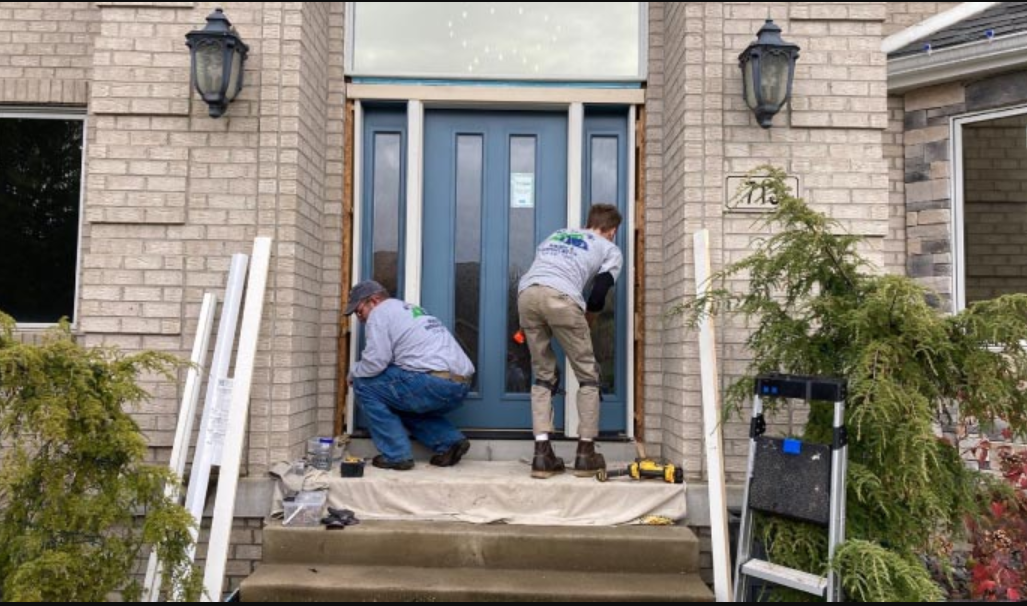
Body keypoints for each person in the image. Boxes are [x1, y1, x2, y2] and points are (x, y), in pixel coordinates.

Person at [517, 203, 623, 479]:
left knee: (543, 375)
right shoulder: (609, 248)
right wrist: (588, 318)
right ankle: (586, 453)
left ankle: (542, 454)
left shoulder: (558, 234)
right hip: (562, 298)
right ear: (612, 231)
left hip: (527, 294)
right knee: (588, 376)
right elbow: (599, 291)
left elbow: (542, 272)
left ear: (589, 223)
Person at [346, 280, 475, 470]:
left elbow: (376, 362)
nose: (361, 318)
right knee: (398, 397)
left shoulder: (379, 314)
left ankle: (396, 455)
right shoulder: (410, 309)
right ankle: (449, 442)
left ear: (373, 301)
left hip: (431, 382)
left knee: (364, 384)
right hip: (460, 385)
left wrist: (354, 371)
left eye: (359, 311)